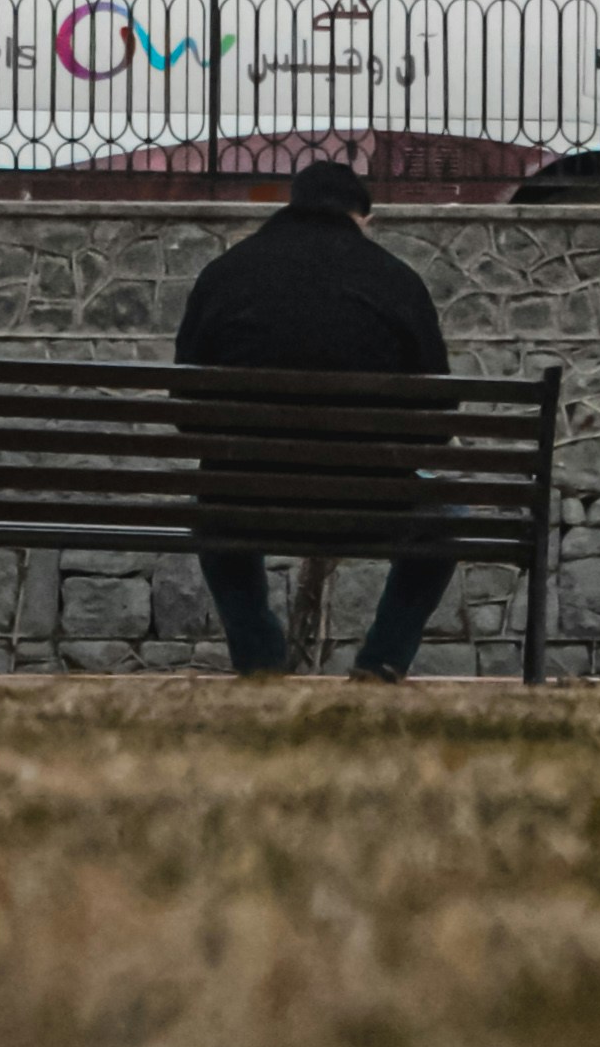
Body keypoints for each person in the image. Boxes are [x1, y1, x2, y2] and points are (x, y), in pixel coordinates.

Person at [174, 159, 456, 680]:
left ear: (292, 205)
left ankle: (260, 660)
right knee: (447, 523)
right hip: (371, 502)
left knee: (211, 507)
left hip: (244, 498)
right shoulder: (398, 281)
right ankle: (382, 661)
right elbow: (436, 418)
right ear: (362, 217)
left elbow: (187, 409)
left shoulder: (226, 274)